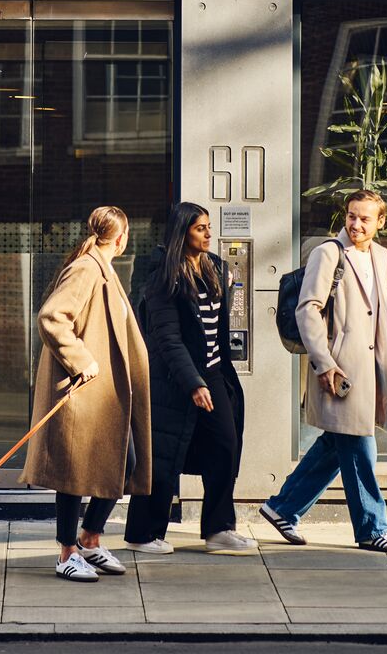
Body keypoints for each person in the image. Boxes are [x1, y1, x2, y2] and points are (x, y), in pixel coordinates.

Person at [257, 190, 387, 553]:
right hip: (339, 369)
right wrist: (324, 363)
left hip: (368, 367)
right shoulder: (328, 253)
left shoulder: (382, 257)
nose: (356, 224)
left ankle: (283, 507)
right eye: (351, 216)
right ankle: (373, 528)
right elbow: (308, 309)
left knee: (335, 444)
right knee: (359, 445)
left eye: (365, 218)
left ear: (380, 222)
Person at [20, 206, 152, 582]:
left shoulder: (102, 267)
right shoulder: (86, 268)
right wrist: (81, 361)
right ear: (121, 237)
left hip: (104, 395)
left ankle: (90, 539)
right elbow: (52, 316)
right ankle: (67, 552)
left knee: (122, 463)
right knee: (74, 473)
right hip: (84, 391)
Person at [124, 202, 254, 554]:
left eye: (209, 227)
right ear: (183, 233)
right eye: (200, 228)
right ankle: (142, 534)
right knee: (163, 459)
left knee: (226, 446)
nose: (208, 234)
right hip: (174, 379)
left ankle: (218, 528)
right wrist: (192, 382)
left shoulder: (212, 268)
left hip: (213, 372)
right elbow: (167, 338)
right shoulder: (165, 277)